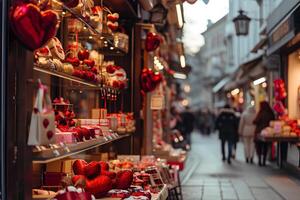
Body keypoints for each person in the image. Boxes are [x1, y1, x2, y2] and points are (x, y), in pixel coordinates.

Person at [253, 101, 275, 166]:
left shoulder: (261, 113)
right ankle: (264, 161)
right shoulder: (270, 113)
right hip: (268, 132)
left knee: (259, 146)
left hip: (259, 132)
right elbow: (273, 120)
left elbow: (255, 121)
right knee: (265, 147)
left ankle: (259, 160)